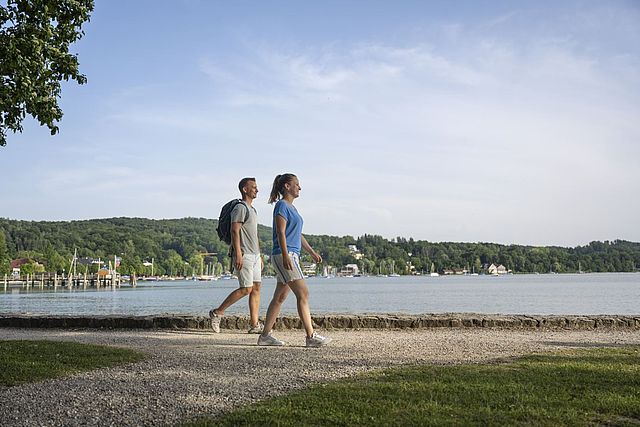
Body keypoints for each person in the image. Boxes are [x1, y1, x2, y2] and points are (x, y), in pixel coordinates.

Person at [258, 173, 331, 347]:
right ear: (287, 187)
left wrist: (311, 252)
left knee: (279, 297)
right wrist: (285, 255)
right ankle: (310, 336)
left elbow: (297, 234)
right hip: (286, 255)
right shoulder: (282, 205)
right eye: (296, 184)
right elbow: (281, 232)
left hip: (290, 254)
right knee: (303, 293)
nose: (299, 187)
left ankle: (265, 336)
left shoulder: (292, 208)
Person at [210, 178, 263, 334]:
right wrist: (238, 253)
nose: (257, 190)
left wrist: (259, 256)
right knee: (246, 288)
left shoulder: (252, 210)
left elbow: (255, 234)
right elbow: (235, 230)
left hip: (254, 255)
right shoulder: (240, 208)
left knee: (256, 288)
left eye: (256, 187)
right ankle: (217, 312)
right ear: (245, 189)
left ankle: (254, 325)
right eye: (253, 187)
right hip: (244, 253)